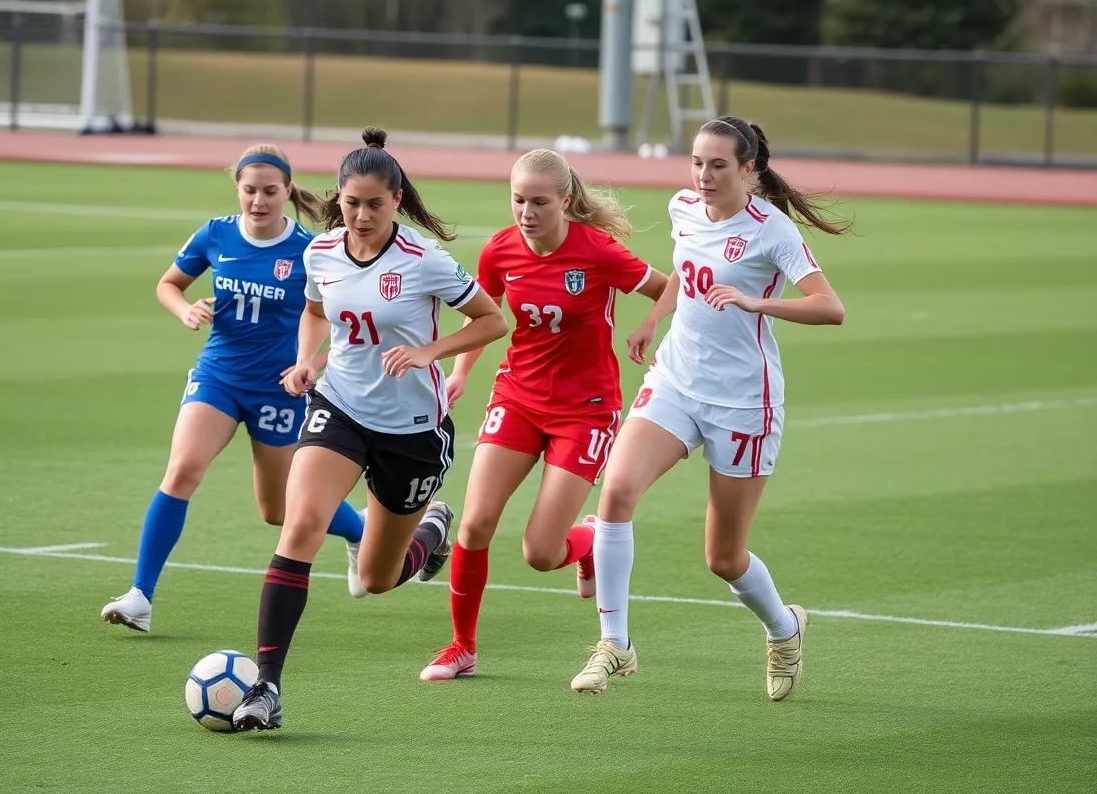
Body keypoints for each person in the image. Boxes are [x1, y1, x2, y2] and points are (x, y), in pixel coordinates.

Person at [231, 128, 509, 731]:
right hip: (340, 408)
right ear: (338, 198)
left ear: (398, 201)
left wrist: (431, 350)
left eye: (375, 204)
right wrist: (308, 360)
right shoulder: (321, 252)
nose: (360, 215)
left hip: (412, 432)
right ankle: (266, 687)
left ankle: (429, 530)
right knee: (299, 522)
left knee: (377, 579)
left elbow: (493, 320)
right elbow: (312, 311)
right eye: (350, 202)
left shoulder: (424, 260)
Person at [570, 116, 849, 700]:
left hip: (744, 402)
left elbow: (830, 308)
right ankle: (615, 644)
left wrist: (755, 301)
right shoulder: (684, 208)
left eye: (718, 164)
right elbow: (685, 274)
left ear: (750, 170)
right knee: (616, 492)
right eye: (697, 162)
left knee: (723, 558)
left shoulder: (771, 230)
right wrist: (653, 316)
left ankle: (784, 628)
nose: (704, 175)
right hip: (675, 380)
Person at [418, 149, 669, 681]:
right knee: (475, 523)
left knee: (538, 552)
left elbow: (670, 286)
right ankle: (462, 647)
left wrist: (648, 323)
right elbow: (485, 314)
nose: (526, 212)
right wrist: (462, 372)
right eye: (517, 200)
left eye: (538, 202)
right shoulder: (500, 250)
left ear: (565, 201)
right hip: (518, 398)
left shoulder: (599, 251)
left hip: (586, 411)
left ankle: (589, 542)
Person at [100, 144, 368, 634]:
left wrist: (309, 363)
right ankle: (141, 596)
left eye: (270, 191)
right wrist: (185, 310)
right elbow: (168, 284)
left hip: (278, 391)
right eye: (250, 191)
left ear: (288, 191)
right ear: (237, 189)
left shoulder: (309, 251)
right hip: (219, 376)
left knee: (278, 511)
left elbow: (343, 323)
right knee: (182, 469)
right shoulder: (215, 233)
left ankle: (361, 530)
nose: (259, 201)